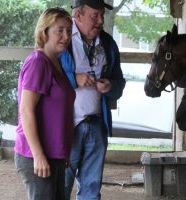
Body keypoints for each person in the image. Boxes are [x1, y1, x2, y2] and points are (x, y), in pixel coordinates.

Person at [59, 0, 126, 199]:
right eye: (94, 16)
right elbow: (46, 78)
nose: (100, 21)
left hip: (96, 124)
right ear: (77, 16)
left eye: (102, 16)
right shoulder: (61, 39)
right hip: (66, 126)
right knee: (61, 185)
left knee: (92, 188)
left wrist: (111, 86)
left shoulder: (108, 43)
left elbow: (119, 82)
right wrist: (74, 79)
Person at [14, 7, 75, 200]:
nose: (66, 36)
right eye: (60, 30)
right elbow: (26, 110)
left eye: (68, 31)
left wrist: (62, 152)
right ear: (44, 32)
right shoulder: (38, 63)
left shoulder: (56, 62)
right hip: (37, 156)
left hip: (54, 155)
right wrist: (39, 155)